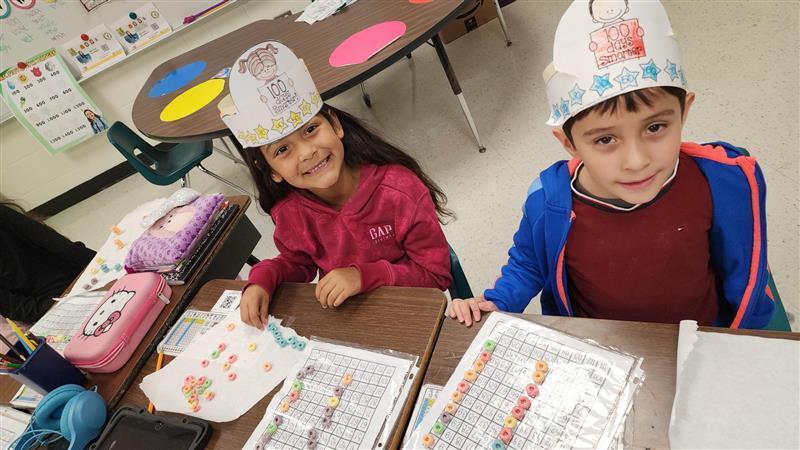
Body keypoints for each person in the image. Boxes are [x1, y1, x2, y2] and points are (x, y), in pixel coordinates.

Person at [450, 0, 774, 329]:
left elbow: (744, 269)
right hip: (604, 352)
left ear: (684, 111)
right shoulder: (549, 202)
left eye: (655, 127)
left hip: (699, 340)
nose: (637, 162)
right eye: (605, 140)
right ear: (568, 143)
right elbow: (530, 261)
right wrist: (498, 300)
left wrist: (748, 335)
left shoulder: (717, 182)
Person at [217, 41, 453, 329]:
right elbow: (299, 262)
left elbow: (436, 275)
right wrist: (264, 278)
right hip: (347, 322)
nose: (306, 153)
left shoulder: (399, 191)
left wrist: (365, 276)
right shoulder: (290, 211)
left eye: (311, 130)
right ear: (270, 171)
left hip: (409, 315)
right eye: (282, 150)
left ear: (336, 125)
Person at [0, 202, 95, 322]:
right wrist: (67, 305)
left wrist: (102, 262)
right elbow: (17, 308)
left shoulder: (3, 215)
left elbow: (63, 247)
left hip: (80, 275)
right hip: (53, 307)